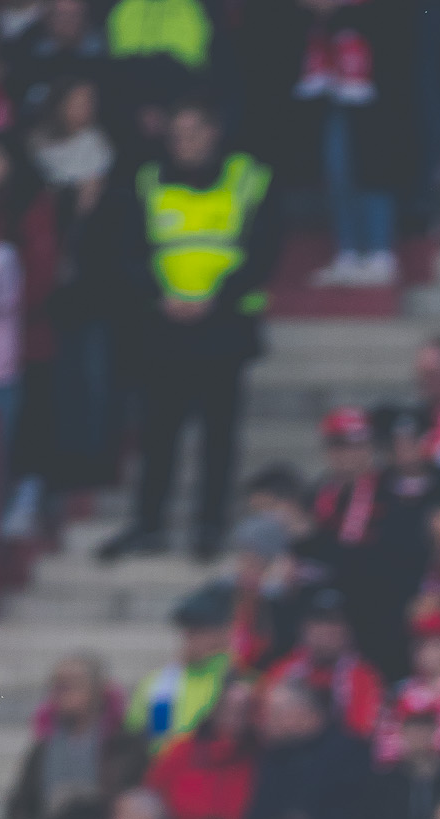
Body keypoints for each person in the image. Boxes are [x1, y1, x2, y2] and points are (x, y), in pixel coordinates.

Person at [100, 98, 277, 564]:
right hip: (163, 326)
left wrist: (217, 296)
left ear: (215, 131)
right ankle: (149, 524)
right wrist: (159, 294)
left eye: (194, 132)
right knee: (158, 433)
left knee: (219, 435)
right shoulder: (148, 180)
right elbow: (126, 249)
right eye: (177, 135)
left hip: (225, 325)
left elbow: (264, 248)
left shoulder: (248, 178)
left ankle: (209, 526)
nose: (186, 143)